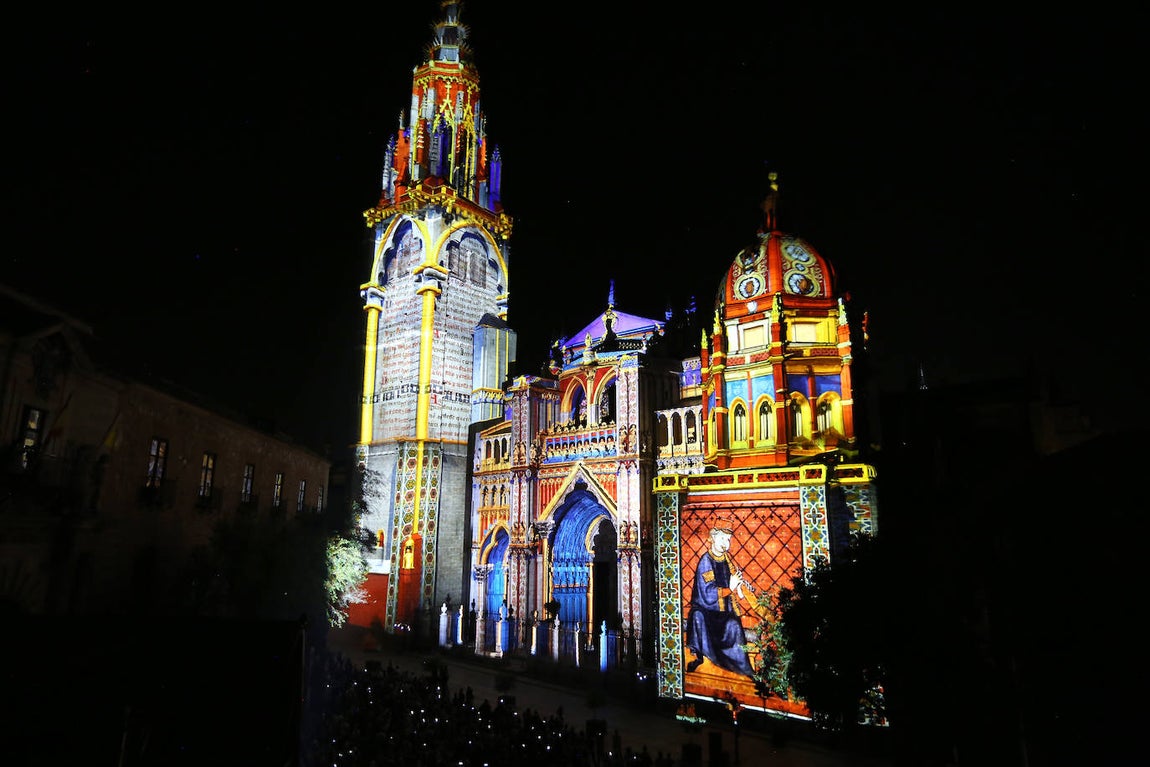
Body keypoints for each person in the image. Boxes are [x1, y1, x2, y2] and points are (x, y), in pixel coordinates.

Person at [684, 520, 755, 676]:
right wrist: (730, 587)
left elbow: (734, 579)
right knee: (697, 617)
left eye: (728, 540)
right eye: (722, 538)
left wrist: (740, 587)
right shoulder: (705, 561)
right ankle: (699, 658)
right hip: (706, 610)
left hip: (723, 611)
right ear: (713, 538)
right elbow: (708, 593)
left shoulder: (727, 559)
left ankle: (744, 668)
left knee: (735, 626)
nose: (725, 543)